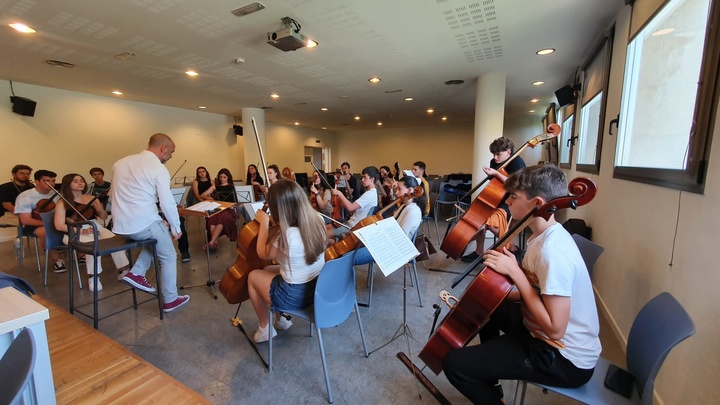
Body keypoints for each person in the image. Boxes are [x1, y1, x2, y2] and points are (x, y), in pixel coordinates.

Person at [442, 165, 600, 404]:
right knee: (490, 305)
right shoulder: (541, 234)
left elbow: (555, 329)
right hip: (544, 332)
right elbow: (538, 291)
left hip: (564, 357)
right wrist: (495, 294)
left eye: (513, 197)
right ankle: (490, 378)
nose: (508, 201)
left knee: (454, 364)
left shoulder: (552, 252)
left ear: (537, 203)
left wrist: (516, 274)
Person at [110, 133, 189, 313]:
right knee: (169, 256)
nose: (171, 156)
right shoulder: (158, 168)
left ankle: (137, 272)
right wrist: (176, 226)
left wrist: (161, 221)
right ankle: (170, 299)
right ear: (163, 148)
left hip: (120, 226)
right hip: (142, 224)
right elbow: (167, 202)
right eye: (171, 152)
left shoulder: (120, 163)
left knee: (157, 237)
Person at [247, 180, 326, 342]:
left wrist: (264, 223)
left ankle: (265, 328)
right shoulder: (317, 219)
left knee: (253, 276)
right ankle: (280, 320)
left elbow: (262, 252)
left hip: (295, 296)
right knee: (268, 272)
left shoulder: (286, 235)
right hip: (318, 287)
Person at [54, 173, 130, 291]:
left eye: (81, 180)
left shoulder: (91, 198)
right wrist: (82, 231)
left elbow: (104, 217)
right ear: (67, 184)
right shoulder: (62, 203)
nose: (80, 183)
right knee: (93, 246)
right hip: (73, 231)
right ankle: (93, 277)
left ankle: (124, 271)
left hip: (95, 226)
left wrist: (100, 209)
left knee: (115, 241)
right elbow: (59, 225)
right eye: (75, 181)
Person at [461, 137, 526, 262]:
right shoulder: (494, 161)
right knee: (477, 220)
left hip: (513, 200)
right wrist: (491, 175)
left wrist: (496, 174)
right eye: (493, 154)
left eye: (498, 154)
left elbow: (517, 185)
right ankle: (479, 251)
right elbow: (496, 183)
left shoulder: (517, 162)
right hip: (496, 197)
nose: (495, 157)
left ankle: (513, 248)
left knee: (491, 224)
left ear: (508, 151)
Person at [353, 175, 427, 265]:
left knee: (351, 258)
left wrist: (377, 237)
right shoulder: (404, 206)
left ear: (410, 190)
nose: (396, 193)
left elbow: (400, 238)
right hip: (387, 244)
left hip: (393, 251)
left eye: (399, 189)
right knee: (355, 247)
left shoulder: (413, 211)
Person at [14, 170, 65, 272]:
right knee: (46, 232)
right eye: (47, 181)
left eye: (53, 181)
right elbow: (25, 220)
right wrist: (49, 224)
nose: (51, 184)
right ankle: (56, 260)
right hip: (32, 225)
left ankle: (80, 256)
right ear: (37, 181)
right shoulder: (25, 196)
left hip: (54, 221)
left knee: (78, 227)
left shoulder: (56, 194)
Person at [327, 166, 379, 241]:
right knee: (325, 228)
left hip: (352, 227)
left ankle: (332, 244)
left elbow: (351, 207)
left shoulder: (369, 194)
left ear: (372, 179)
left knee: (324, 234)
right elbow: (355, 211)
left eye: (365, 177)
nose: (362, 180)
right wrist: (343, 204)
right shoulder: (371, 193)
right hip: (351, 223)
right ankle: (333, 243)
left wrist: (339, 193)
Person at [201, 168, 239, 251]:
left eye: (224, 177)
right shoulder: (215, 187)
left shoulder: (232, 186)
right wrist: (211, 199)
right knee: (211, 219)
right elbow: (203, 195)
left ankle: (211, 242)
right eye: (220, 177)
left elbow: (236, 200)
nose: (222, 179)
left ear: (228, 177)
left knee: (222, 218)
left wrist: (233, 205)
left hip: (229, 209)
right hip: (218, 208)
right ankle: (214, 242)